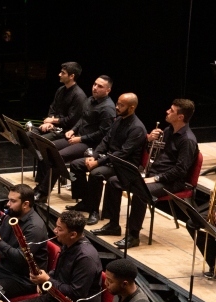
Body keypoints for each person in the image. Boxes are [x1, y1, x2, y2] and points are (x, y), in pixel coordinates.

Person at [91, 99, 198, 249]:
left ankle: (133, 235)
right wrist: (149, 141)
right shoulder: (167, 131)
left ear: (180, 117)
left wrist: (155, 178)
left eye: (172, 110)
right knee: (114, 181)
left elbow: (181, 170)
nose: (167, 111)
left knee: (141, 191)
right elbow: (151, 152)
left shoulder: (187, 140)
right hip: (154, 175)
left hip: (171, 181)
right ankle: (113, 224)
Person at [68, 92, 147, 226]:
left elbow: (123, 153)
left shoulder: (137, 128)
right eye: (117, 103)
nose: (117, 107)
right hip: (109, 159)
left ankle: (94, 211)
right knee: (75, 165)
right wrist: (93, 156)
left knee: (96, 173)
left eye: (121, 105)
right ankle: (86, 201)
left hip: (124, 165)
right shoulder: (118, 121)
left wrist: (98, 162)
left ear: (132, 107)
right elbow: (105, 140)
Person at [33, 75, 115, 201]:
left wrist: (80, 139)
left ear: (108, 90)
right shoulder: (90, 100)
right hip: (77, 137)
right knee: (49, 148)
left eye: (100, 86)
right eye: (94, 84)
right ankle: (42, 185)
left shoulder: (108, 108)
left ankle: (43, 192)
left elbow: (103, 133)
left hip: (91, 144)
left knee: (58, 156)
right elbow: (82, 119)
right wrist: (73, 130)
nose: (95, 88)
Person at [0, 184, 50, 298]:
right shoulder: (11, 216)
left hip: (22, 278)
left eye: (13, 201)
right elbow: (1, 242)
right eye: (9, 199)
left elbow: (22, 258)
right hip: (4, 267)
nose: (8, 204)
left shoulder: (35, 227)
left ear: (25, 204)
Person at [30, 62, 86, 141]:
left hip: (65, 131)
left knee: (40, 141)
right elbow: (53, 107)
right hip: (53, 127)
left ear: (72, 76)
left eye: (63, 73)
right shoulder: (60, 90)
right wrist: (49, 122)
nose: (59, 74)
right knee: (28, 135)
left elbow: (71, 120)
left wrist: (53, 120)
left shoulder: (79, 96)